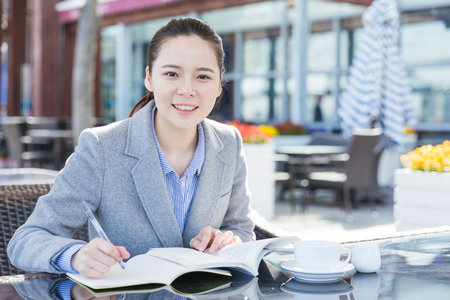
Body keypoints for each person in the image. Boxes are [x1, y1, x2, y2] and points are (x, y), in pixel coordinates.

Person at [7, 17, 255, 282]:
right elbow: (25, 241)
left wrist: (228, 241)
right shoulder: (102, 148)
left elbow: (240, 228)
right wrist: (76, 256)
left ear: (219, 85)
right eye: (171, 74)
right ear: (149, 78)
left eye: (203, 77)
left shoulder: (228, 142)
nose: (187, 90)